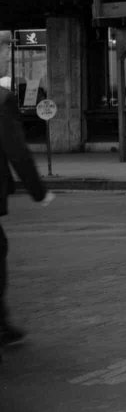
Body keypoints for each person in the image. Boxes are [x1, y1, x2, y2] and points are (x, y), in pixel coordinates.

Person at [0, 35, 54, 355]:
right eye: (4, 49)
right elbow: (17, 151)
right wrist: (39, 192)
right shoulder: (2, 99)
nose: (7, 54)